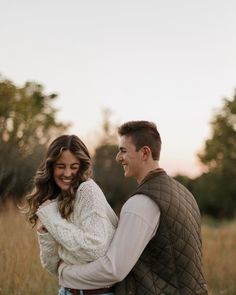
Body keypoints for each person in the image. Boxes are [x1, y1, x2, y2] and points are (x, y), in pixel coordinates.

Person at [58, 121, 208, 295]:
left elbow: (112, 269)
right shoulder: (184, 193)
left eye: (123, 150)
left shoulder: (142, 203)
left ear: (145, 153)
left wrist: (64, 273)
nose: (118, 158)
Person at [26, 134, 118, 295]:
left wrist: (54, 220)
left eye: (73, 167)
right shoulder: (58, 200)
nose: (67, 173)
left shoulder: (87, 190)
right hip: (66, 290)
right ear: (51, 167)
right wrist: (46, 232)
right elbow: (52, 265)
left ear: (82, 167)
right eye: (61, 166)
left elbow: (94, 249)